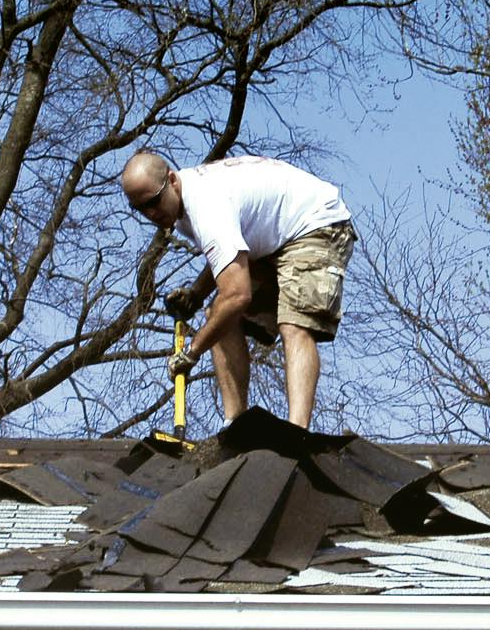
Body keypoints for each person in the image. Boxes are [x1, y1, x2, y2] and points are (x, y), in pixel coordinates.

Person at [121, 150, 356, 429]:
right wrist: (196, 293)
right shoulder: (184, 210)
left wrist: (192, 352)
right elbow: (230, 255)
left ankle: (296, 432)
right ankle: (235, 425)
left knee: (294, 324)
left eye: (153, 201)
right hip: (274, 242)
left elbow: (237, 294)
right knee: (220, 316)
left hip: (317, 224)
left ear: (172, 180)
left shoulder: (205, 205)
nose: (151, 213)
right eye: (140, 208)